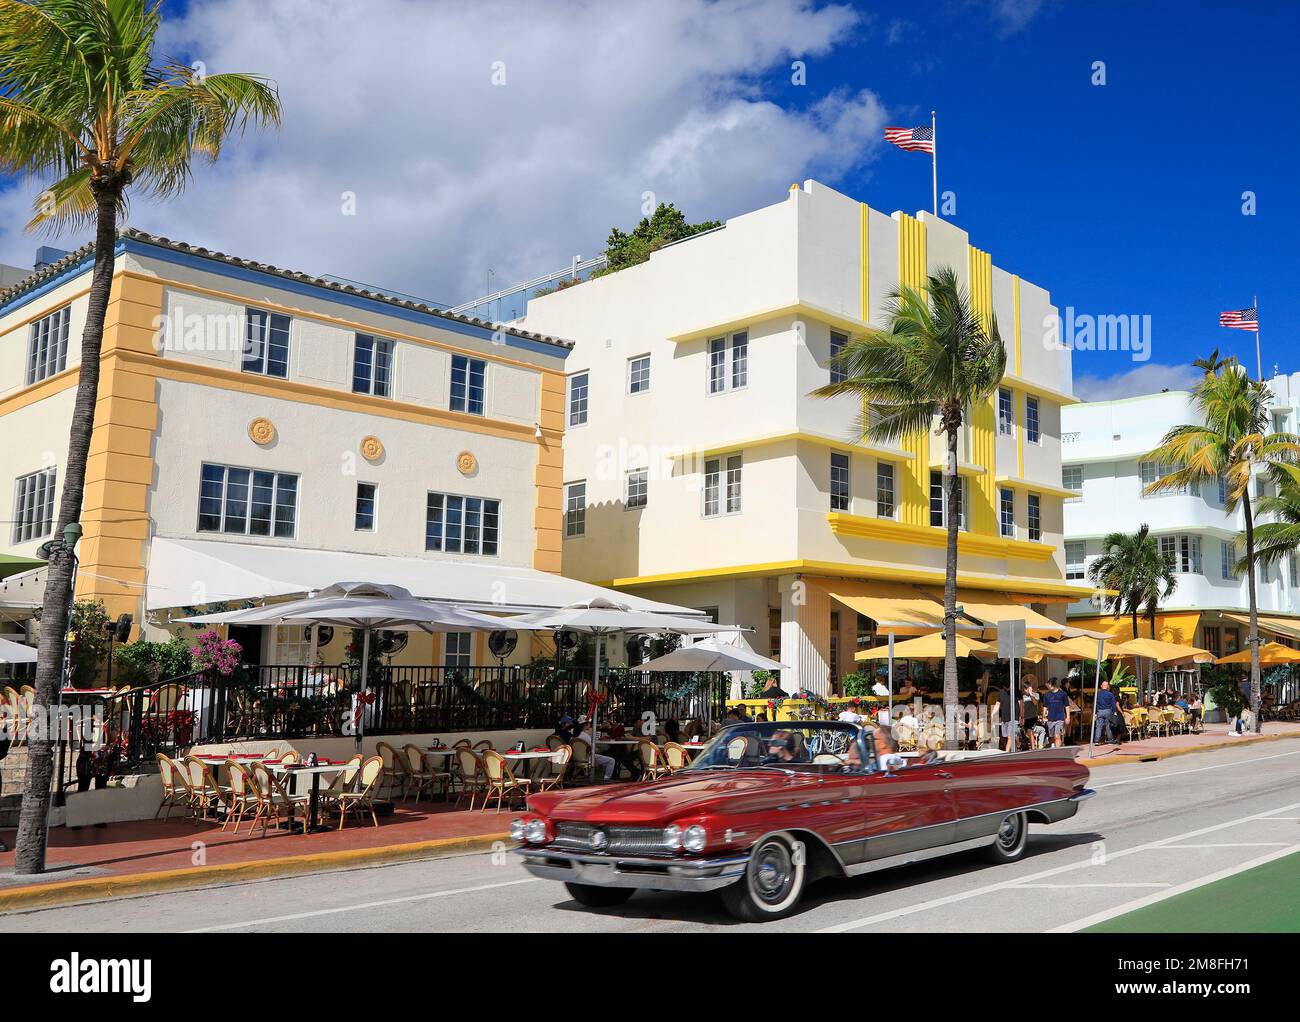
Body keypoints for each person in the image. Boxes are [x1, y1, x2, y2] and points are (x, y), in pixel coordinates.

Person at [574, 716, 616, 780]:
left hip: (577, 759)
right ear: (585, 724)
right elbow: (593, 750)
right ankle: (606, 779)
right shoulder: (585, 736)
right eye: (589, 723)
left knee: (601, 756)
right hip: (588, 759)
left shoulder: (574, 735)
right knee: (611, 761)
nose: (590, 725)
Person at [1042, 677, 1072, 748]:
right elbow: (1045, 706)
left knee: (1057, 736)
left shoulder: (1063, 694)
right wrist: (1043, 716)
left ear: (1052, 685)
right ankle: (1053, 746)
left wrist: (1068, 717)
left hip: (1060, 718)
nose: (1048, 686)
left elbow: (1067, 706)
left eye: (1049, 684)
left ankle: (1057, 750)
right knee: (1052, 736)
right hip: (1050, 718)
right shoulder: (1047, 695)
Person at [1093, 679, 1118, 745]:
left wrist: (1095, 713)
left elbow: (1095, 704)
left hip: (1100, 711)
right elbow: (1113, 704)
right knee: (1108, 726)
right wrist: (1114, 711)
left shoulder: (1097, 694)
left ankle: (1097, 741)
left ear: (1101, 686)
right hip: (1108, 711)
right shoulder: (1110, 694)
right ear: (1107, 687)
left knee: (1098, 726)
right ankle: (1110, 740)